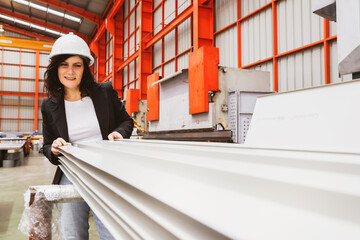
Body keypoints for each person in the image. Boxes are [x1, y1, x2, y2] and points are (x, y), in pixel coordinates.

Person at [41, 32, 134, 240]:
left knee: (112, 234)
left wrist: (119, 133)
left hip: (106, 171)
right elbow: (47, 146)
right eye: (64, 65)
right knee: (72, 235)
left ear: (85, 68)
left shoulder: (104, 92)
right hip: (72, 173)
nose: (70, 72)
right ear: (56, 68)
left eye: (77, 65)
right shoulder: (49, 106)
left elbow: (127, 121)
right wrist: (54, 148)